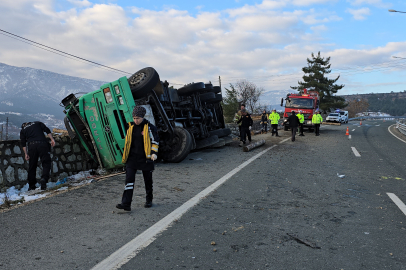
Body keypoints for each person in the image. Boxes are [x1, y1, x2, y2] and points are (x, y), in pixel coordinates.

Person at [116, 106, 160, 211]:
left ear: (142, 117)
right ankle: (126, 204)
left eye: (138, 118)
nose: (135, 120)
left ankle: (149, 200)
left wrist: (154, 153)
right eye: (134, 118)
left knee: (148, 180)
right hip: (132, 158)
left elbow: (155, 141)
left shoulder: (150, 127)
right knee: (129, 179)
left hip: (146, 158)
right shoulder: (130, 127)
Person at [20, 121, 56, 191]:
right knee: (46, 163)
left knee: (32, 166)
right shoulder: (37, 123)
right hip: (42, 143)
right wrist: (52, 139)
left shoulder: (23, 130)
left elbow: (23, 143)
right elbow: (47, 130)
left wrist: (26, 153)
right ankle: (44, 179)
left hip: (32, 146)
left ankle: (31, 186)